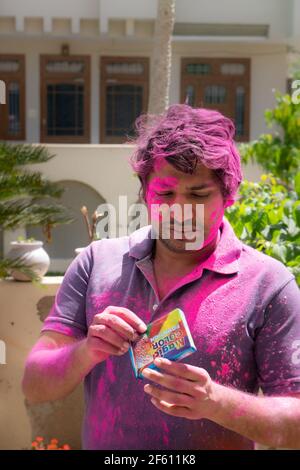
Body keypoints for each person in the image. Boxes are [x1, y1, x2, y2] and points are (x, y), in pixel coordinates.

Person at [22, 104, 300, 450]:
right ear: (145, 194)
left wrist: (216, 402)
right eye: (165, 194)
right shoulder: (97, 263)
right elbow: (35, 384)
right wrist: (87, 351)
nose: (180, 210)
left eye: (198, 195)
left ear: (228, 196)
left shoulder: (269, 284)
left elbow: (294, 425)